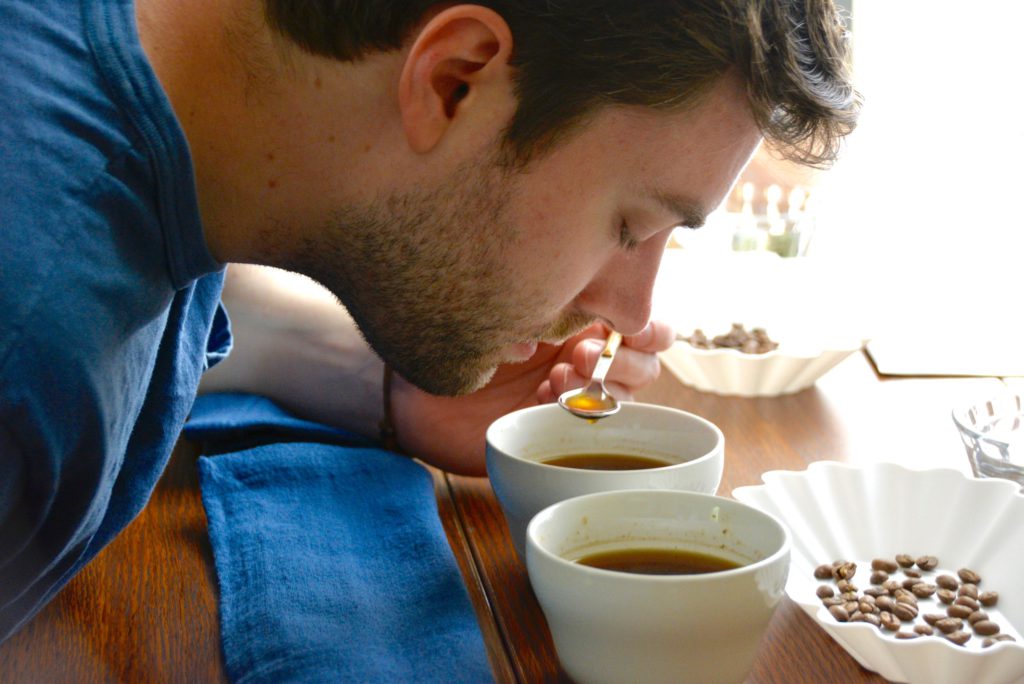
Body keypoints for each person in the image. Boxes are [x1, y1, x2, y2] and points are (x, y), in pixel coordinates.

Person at [0, 0, 859, 645]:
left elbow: (150, 283)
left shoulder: (153, 95)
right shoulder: (30, 358)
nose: (632, 309)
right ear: (455, 81)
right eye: (630, 226)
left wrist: (382, 385)